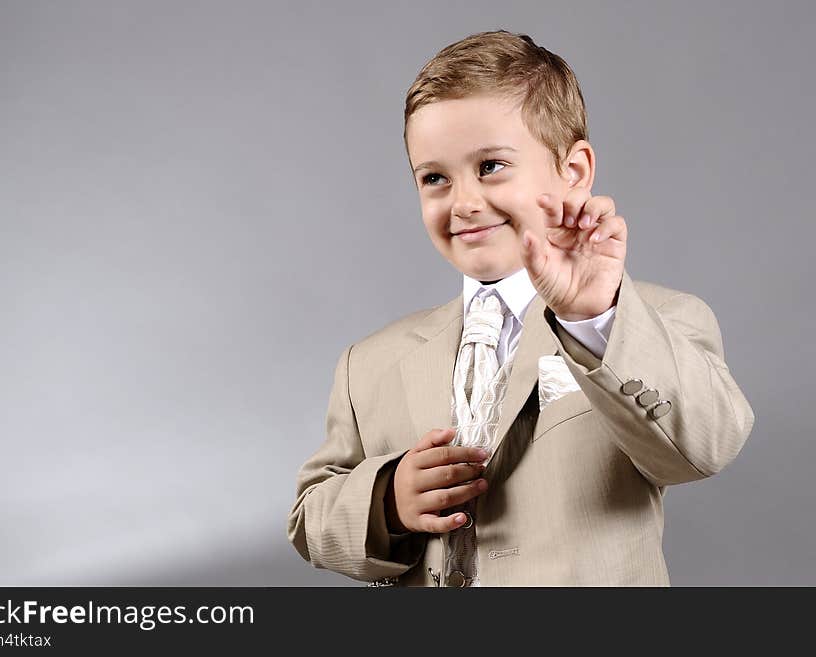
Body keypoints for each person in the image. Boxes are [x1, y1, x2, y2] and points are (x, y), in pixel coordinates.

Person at [286, 30, 754, 586]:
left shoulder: (651, 319)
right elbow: (309, 518)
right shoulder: (367, 363)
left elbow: (705, 447)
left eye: (490, 166)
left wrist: (594, 315)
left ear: (574, 171)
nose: (463, 202)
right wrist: (387, 499)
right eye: (434, 178)